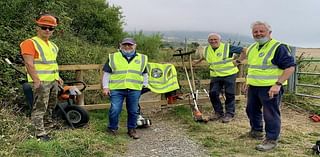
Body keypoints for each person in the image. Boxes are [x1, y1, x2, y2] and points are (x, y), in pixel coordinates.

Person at [245, 21, 295, 151]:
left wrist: (278, 84)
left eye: (262, 31)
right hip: (254, 87)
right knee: (251, 110)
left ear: (269, 32)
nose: (258, 34)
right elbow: (252, 68)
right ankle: (256, 131)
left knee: (270, 114)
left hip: (270, 88)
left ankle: (271, 139)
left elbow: (290, 67)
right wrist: (248, 83)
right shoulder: (252, 48)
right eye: (255, 32)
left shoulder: (278, 47)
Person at [20, 14, 63, 141]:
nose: (47, 30)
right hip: (41, 82)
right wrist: (36, 80)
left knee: (51, 106)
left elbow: (52, 64)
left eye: (51, 28)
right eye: (44, 27)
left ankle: (48, 126)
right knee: (40, 107)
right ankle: (39, 133)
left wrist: (58, 77)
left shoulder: (53, 46)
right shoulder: (30, 43)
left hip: (53, 81)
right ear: (37, 28)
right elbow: (29, 63)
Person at [193, 33, 246, 123]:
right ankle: (218, 113)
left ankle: (229, 114)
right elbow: (205, 57)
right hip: (216, 75)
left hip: (229, 74)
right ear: (208, 41)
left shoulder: (227, 47)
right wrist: (197, 62)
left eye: (215, 39)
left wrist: (238, 61)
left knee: (229, 94)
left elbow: (244, 50)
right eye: (211, 40)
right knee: (213, 93)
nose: (213, 41)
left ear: (219, 40)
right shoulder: (207, 49)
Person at [102, 38, 148, 139]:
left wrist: (145, 85)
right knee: (114, 109)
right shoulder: (113, 57)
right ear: (120, 45)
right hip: (117, 89)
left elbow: (144, 73)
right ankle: (112, 128)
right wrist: (105, 87)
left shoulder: (142, 58)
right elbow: (107, 73)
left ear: (135, 46)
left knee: (133, 110)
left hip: (134, 89)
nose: (127, 47)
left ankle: (131, 130)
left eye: (130, 45)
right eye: (125, 45)